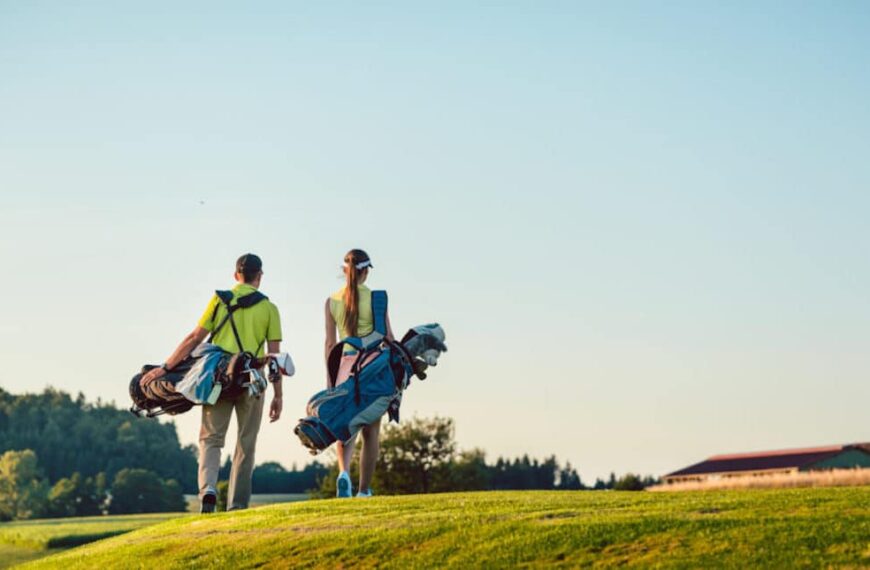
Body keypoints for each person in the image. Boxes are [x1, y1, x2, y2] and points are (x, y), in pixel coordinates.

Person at [140, 253, 283, 513]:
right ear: (259, 276)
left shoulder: (219, 301)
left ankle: (208, 490)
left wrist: (165, 367)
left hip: (218, 378)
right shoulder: (269, 309)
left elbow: (194, 338)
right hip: (252, 379)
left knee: (211, 438)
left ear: (235, 275)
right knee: (245, 444)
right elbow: (274, 358)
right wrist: (278, 395)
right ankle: (237, 506)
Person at [324, 249, 393, 498]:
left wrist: (331, 380)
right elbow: (389, 338)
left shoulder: (331, 301)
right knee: (371, 430)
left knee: (346, 425)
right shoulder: (377, 299)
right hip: (372, 366)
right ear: (365, 271)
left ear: (345, 271)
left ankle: (344, 473)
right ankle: (364, 490)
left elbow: (330, 344)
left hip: (344, 366)